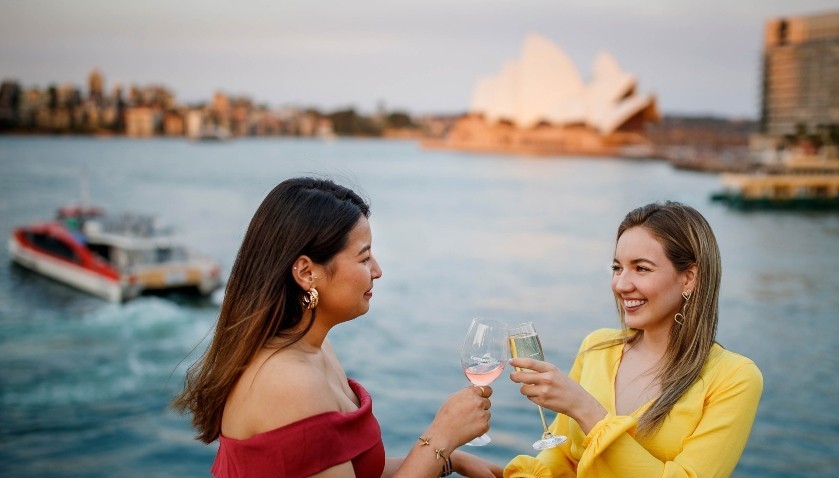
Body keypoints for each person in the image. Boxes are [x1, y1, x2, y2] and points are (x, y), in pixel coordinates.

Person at [173, 177, 503, 478]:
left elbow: (353, 469)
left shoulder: (312, 349)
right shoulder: (289, 383)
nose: (377, 270)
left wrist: (451, 460)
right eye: (363, 258)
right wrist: (441, 436)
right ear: (306, 273)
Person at [504, 201, 763, 477]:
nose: (621, 285)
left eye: (641, 268)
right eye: (617, 268)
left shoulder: (734, 378)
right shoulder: (596, 347)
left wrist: (587, 411)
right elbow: (561, 456)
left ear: (689, 278)